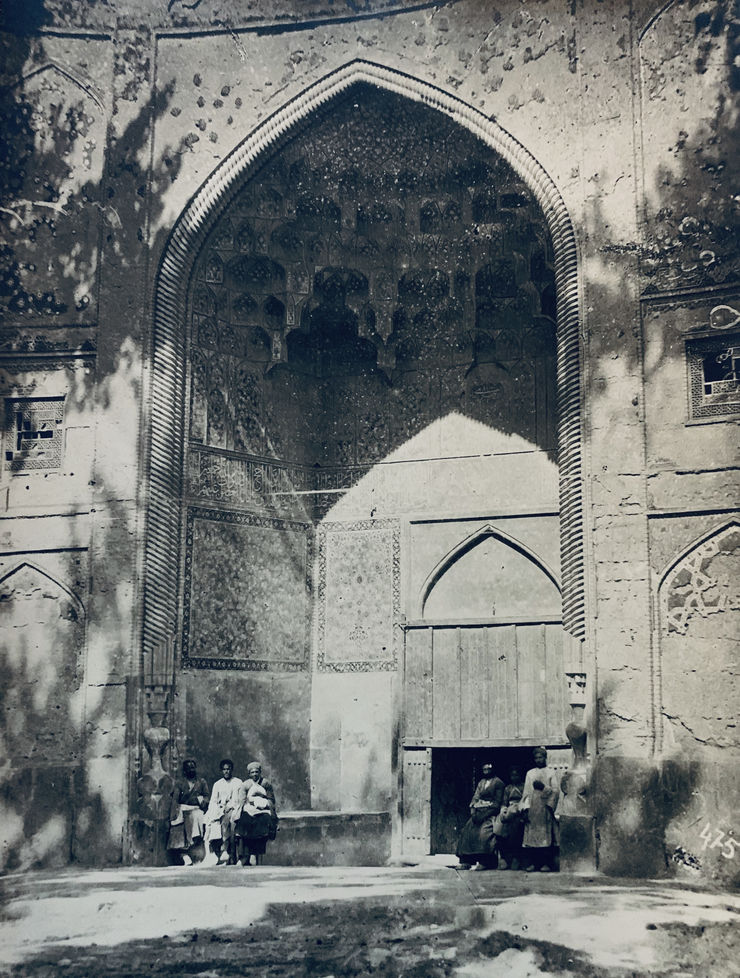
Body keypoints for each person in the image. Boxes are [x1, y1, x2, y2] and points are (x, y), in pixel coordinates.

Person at [456, 762, 504, 871]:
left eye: (488, 769)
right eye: (484, 769)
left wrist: (485, 815)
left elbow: (497, 803)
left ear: (493, 769)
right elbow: (475, 798)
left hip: (490, 813)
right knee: (467, 831)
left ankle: (485, 861)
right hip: (478, 813)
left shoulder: (498, 783)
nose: (486, 771)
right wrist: (473, 812)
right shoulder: (481, 783)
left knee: (484, 833)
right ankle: (466, 861)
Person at [520, 747, 560, 872]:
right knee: (531, 838)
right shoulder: (530, 773)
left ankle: (545, 863)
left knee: (545, 837)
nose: (538, 760)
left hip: (544, 809)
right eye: (536, 758)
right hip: (533, 809)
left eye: (540, 757)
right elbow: (526, 793)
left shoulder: (551, 773)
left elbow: (556, 791)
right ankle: (533, 863)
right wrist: (525, 809)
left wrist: (543, 787)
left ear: (545, 758)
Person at [235, 761, 278, 866]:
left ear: (260, 772)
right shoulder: (246, 785)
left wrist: (263, 803)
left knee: (262, 822)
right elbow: (242, 800)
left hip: (263, 809)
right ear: (249, 774)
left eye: (256, 772)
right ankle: (244, 856)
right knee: (244, 822)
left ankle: (254, 854)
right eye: (252, 772)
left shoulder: (266, 784)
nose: (254, 774)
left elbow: (271, 800)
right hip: (249, 808)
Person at [167, 758, 210, 865]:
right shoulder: (179, 783)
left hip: (197, 809)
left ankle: (199, 853)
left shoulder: (201, 782)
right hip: (183, 808)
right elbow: (175, 799)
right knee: (179, 822)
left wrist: (202, 801)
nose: (191, 770)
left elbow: (206, 797)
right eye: (188, 768)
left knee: (196, 816)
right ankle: (184, 854)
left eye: (193, 767)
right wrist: (173, 815)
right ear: (185, 771)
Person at [203, 758, 243, 866]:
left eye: (228, 769)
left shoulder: (238, 782)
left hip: (233, 808)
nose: (226, 771)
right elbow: (213, 800)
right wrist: (215, 810)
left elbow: (238, 799)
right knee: (210, 821)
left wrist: (229, 806)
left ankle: (225, 849)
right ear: (221, 770)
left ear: (232, 770)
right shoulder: (217, 784)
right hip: (219, 809)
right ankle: (212, 853)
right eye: (224, 769)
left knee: (226, 819)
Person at [493, 765, 525, 870]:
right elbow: (504, 802)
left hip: (520, 810)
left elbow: (526, 800)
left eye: (516, 775)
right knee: (499, 825)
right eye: (512, 775)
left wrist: (519, 809)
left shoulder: (524, 786)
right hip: (510, 810)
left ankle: (516, 858)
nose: (514, 777)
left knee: (516, 826)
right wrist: (503, 811)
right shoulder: (508, 788)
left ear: (520, 776)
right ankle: (504, 858)